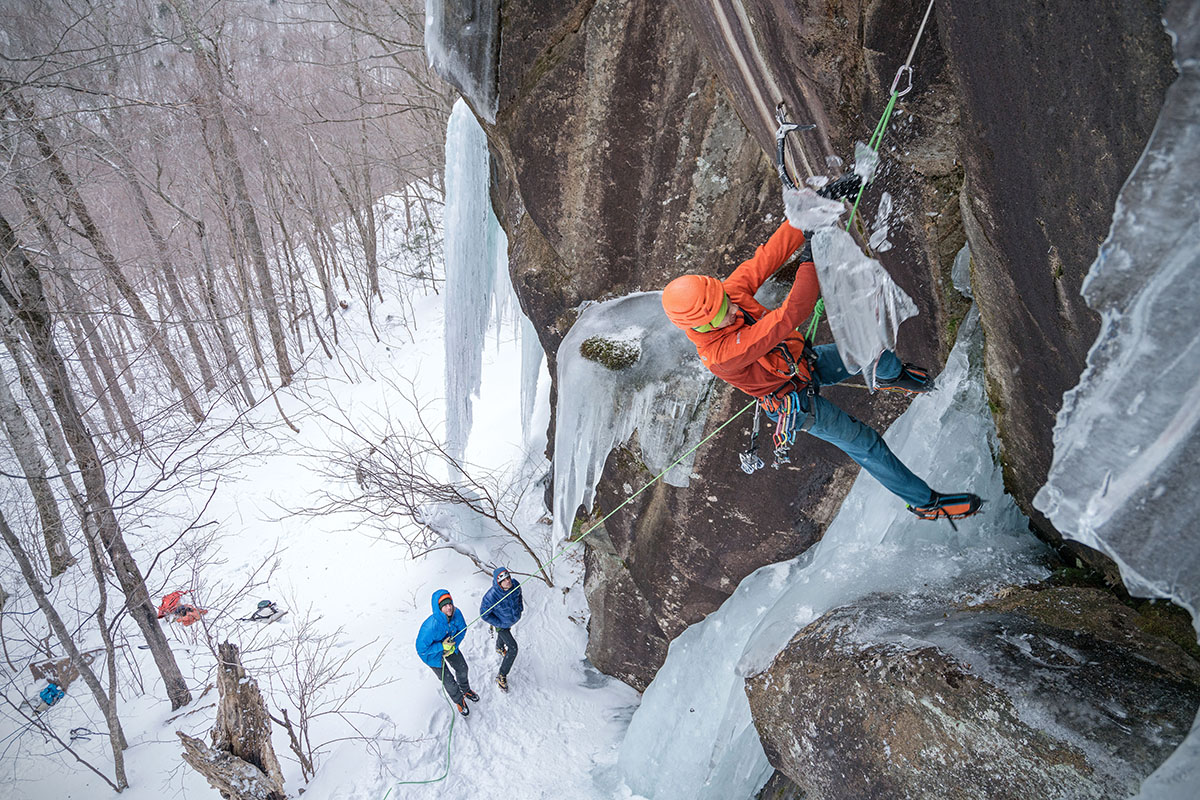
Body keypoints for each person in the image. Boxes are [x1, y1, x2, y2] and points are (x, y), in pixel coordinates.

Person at [660, 195, 982, 523]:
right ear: (703, 325)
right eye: (722, 313)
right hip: (794, 403)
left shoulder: (728, 295)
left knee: (871, 348)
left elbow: (769, 255)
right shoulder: (722, 354)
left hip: (804, 362)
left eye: (725, 301)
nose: (732, 308)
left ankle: (888, 375)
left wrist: (813, 211)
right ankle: (926, 504)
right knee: (865, 442)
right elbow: (792, 314)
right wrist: (810, 257)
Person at [415, 590, 478, 716]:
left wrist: (453, 646)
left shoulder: (456, 613)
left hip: (450, 647)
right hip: (431, 656)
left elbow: (462, 630)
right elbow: (421, 650)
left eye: (450, 603)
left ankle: (465, 690)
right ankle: (459, 701)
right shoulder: (430, 627)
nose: (449, 607)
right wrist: (441, 647)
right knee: (449, 680)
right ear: (439, 609)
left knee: (462, 668)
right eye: (444, 605)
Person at [479, 567, 523, 692]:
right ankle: (501, 675)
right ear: (498, 583)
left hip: (510, 620)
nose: (508, 581)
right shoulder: (491, 596)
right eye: (504, 580)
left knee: (506, 631)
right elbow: (484, 614)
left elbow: (519, 596)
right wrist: (499, 623)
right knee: (513, 648)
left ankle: (499, 647)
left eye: (508, 578)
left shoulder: (515, 585)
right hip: (500, 624)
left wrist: (520, 608)